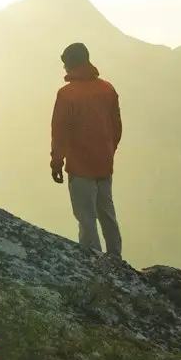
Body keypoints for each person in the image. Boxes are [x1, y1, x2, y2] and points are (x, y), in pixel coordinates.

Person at [49, 41, 123, 258]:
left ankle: (93, 263)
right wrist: (108, 150)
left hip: (80, 166)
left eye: (65, 63)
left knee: (86, 218)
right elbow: (116, 127)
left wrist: (57, 162)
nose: (64, 68)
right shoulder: (107, 89)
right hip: (104, 163)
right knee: (107, 214)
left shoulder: (67, 94)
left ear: (71, 63)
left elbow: (60, 130)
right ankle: (116, 259)